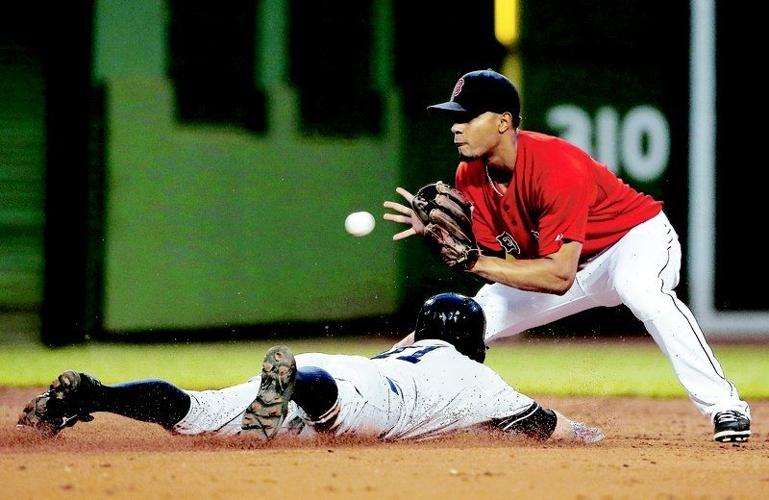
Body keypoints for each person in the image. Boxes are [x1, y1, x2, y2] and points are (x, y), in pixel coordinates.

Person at [383, 69, 750, 443]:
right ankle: (384, 392)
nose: (456, 127)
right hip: (565, 263)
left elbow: (558, 279)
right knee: (465, 322)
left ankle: (726, 405)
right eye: (455, 118)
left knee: (642, 291)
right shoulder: (469, 176)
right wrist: (441, 235)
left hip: (632, 242)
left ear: (503, 122)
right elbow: (498, 261)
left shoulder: (555, 165)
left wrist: (473, 261)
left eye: (468, 116)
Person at [18, 293, 603, 444]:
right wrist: (589, 435)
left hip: (344, 364)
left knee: (196, 412)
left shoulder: (408, 347)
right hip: (373, 394)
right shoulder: (482, 380)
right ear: (476, 341)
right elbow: (545, 426)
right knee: (341, 413)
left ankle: (93, 395)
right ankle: (297, 383)